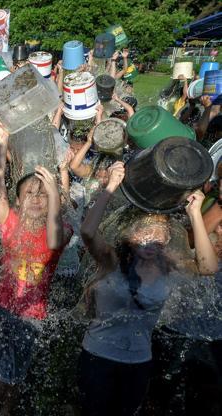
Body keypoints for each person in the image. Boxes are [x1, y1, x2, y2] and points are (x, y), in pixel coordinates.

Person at [78, 161, 217, 416]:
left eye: (159, 231)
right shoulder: (112, 261)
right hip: (98, 357)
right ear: (129, 233)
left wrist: (195, 213)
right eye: (144, 229)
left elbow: (208, 267)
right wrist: (110, 187)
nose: (152, 236)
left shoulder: (170, 266)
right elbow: (87, 231)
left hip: (138, 363)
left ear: (166, 238)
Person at [0, 116, 72, 415]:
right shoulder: (10, 224)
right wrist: (2, 140)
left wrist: (56, 192)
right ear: (18, 201)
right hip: (2, 309)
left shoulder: (57, 232)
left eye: (43, 194)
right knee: (0, 372)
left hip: (32, 315)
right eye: (30, 194)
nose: (36, 199)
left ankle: (6, 411)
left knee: (16, 374)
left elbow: (53, 237)